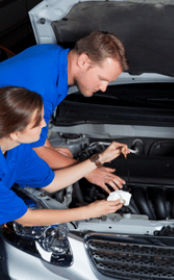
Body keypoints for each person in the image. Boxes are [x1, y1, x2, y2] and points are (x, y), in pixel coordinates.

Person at [0, 31, 129, 193]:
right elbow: (33, 148)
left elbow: (38, 128)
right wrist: (88, 170)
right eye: (102, 79)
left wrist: (49, 147)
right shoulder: (42, 89)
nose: (104, 88)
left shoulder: (52, 54)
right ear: (83, 61)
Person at [0, 86, 129, 226]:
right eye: (36, 124)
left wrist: (100, 158)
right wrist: (90, 211)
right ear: (15, 133)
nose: (44, 124)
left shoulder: (19, 149)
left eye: (43, 118)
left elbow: (52, 182)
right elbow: (25, 218)